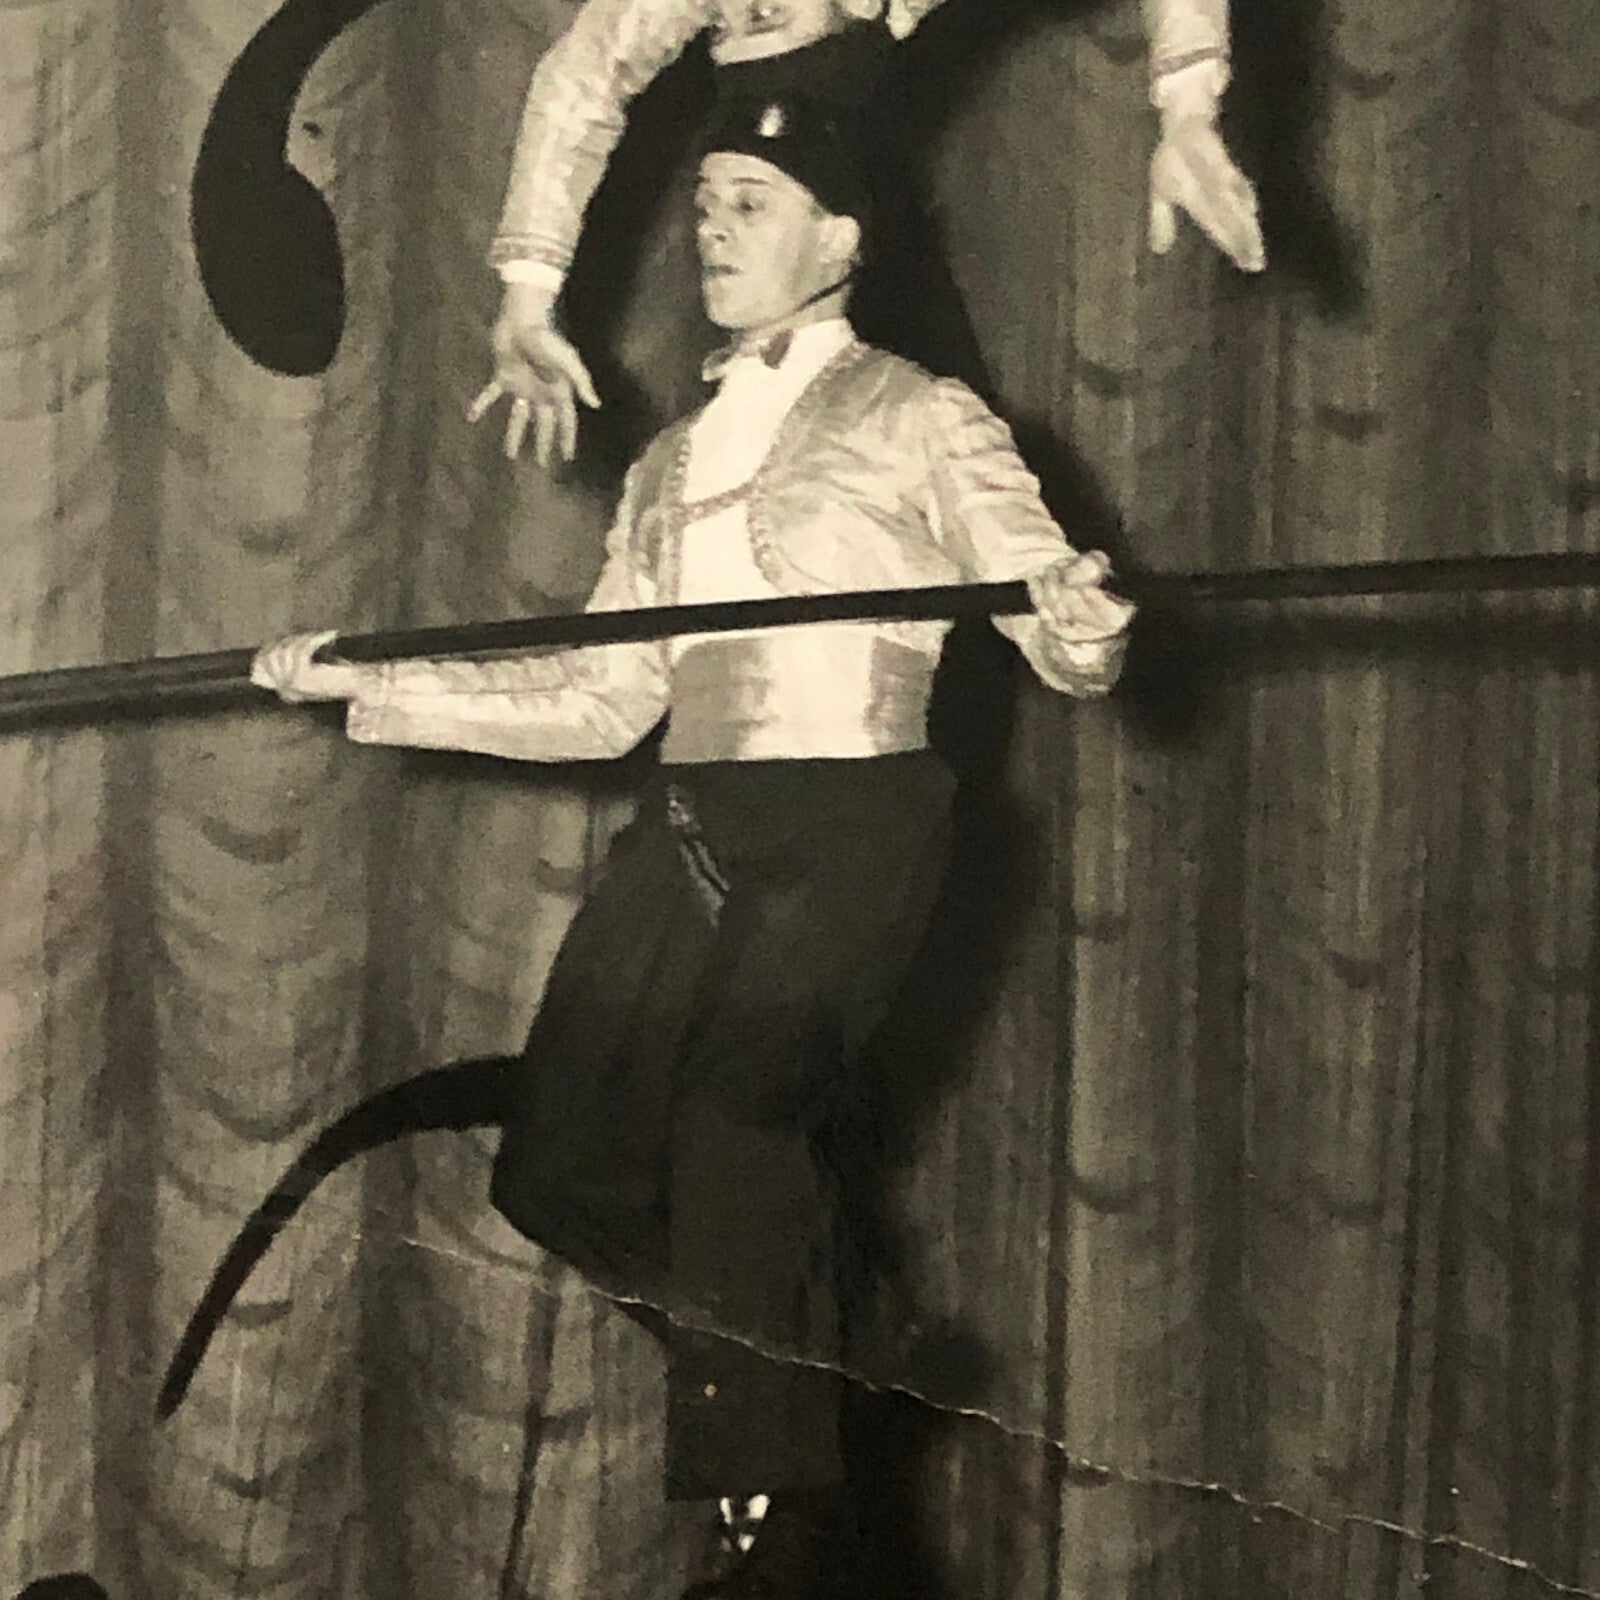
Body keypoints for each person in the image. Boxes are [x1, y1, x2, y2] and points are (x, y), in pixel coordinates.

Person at [253, 90, 1134, 1598]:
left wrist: (1080, 626)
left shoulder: (922, 412)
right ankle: (844, 1335)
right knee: (557, 1168)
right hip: (695, 820)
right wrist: (366, 690)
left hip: (851, 816)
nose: (711, 225)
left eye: (752, 199)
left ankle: (765, 1527)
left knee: (737, 1120)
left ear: (840, 239)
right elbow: (599, 702)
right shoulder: (668, 466)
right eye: (706, 198)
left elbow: (1049, 601)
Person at [469, 0, 1266, 465]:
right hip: (771, 293)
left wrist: (1190, 109)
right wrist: (527, 300)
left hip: (876, 290)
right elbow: (581, 79)